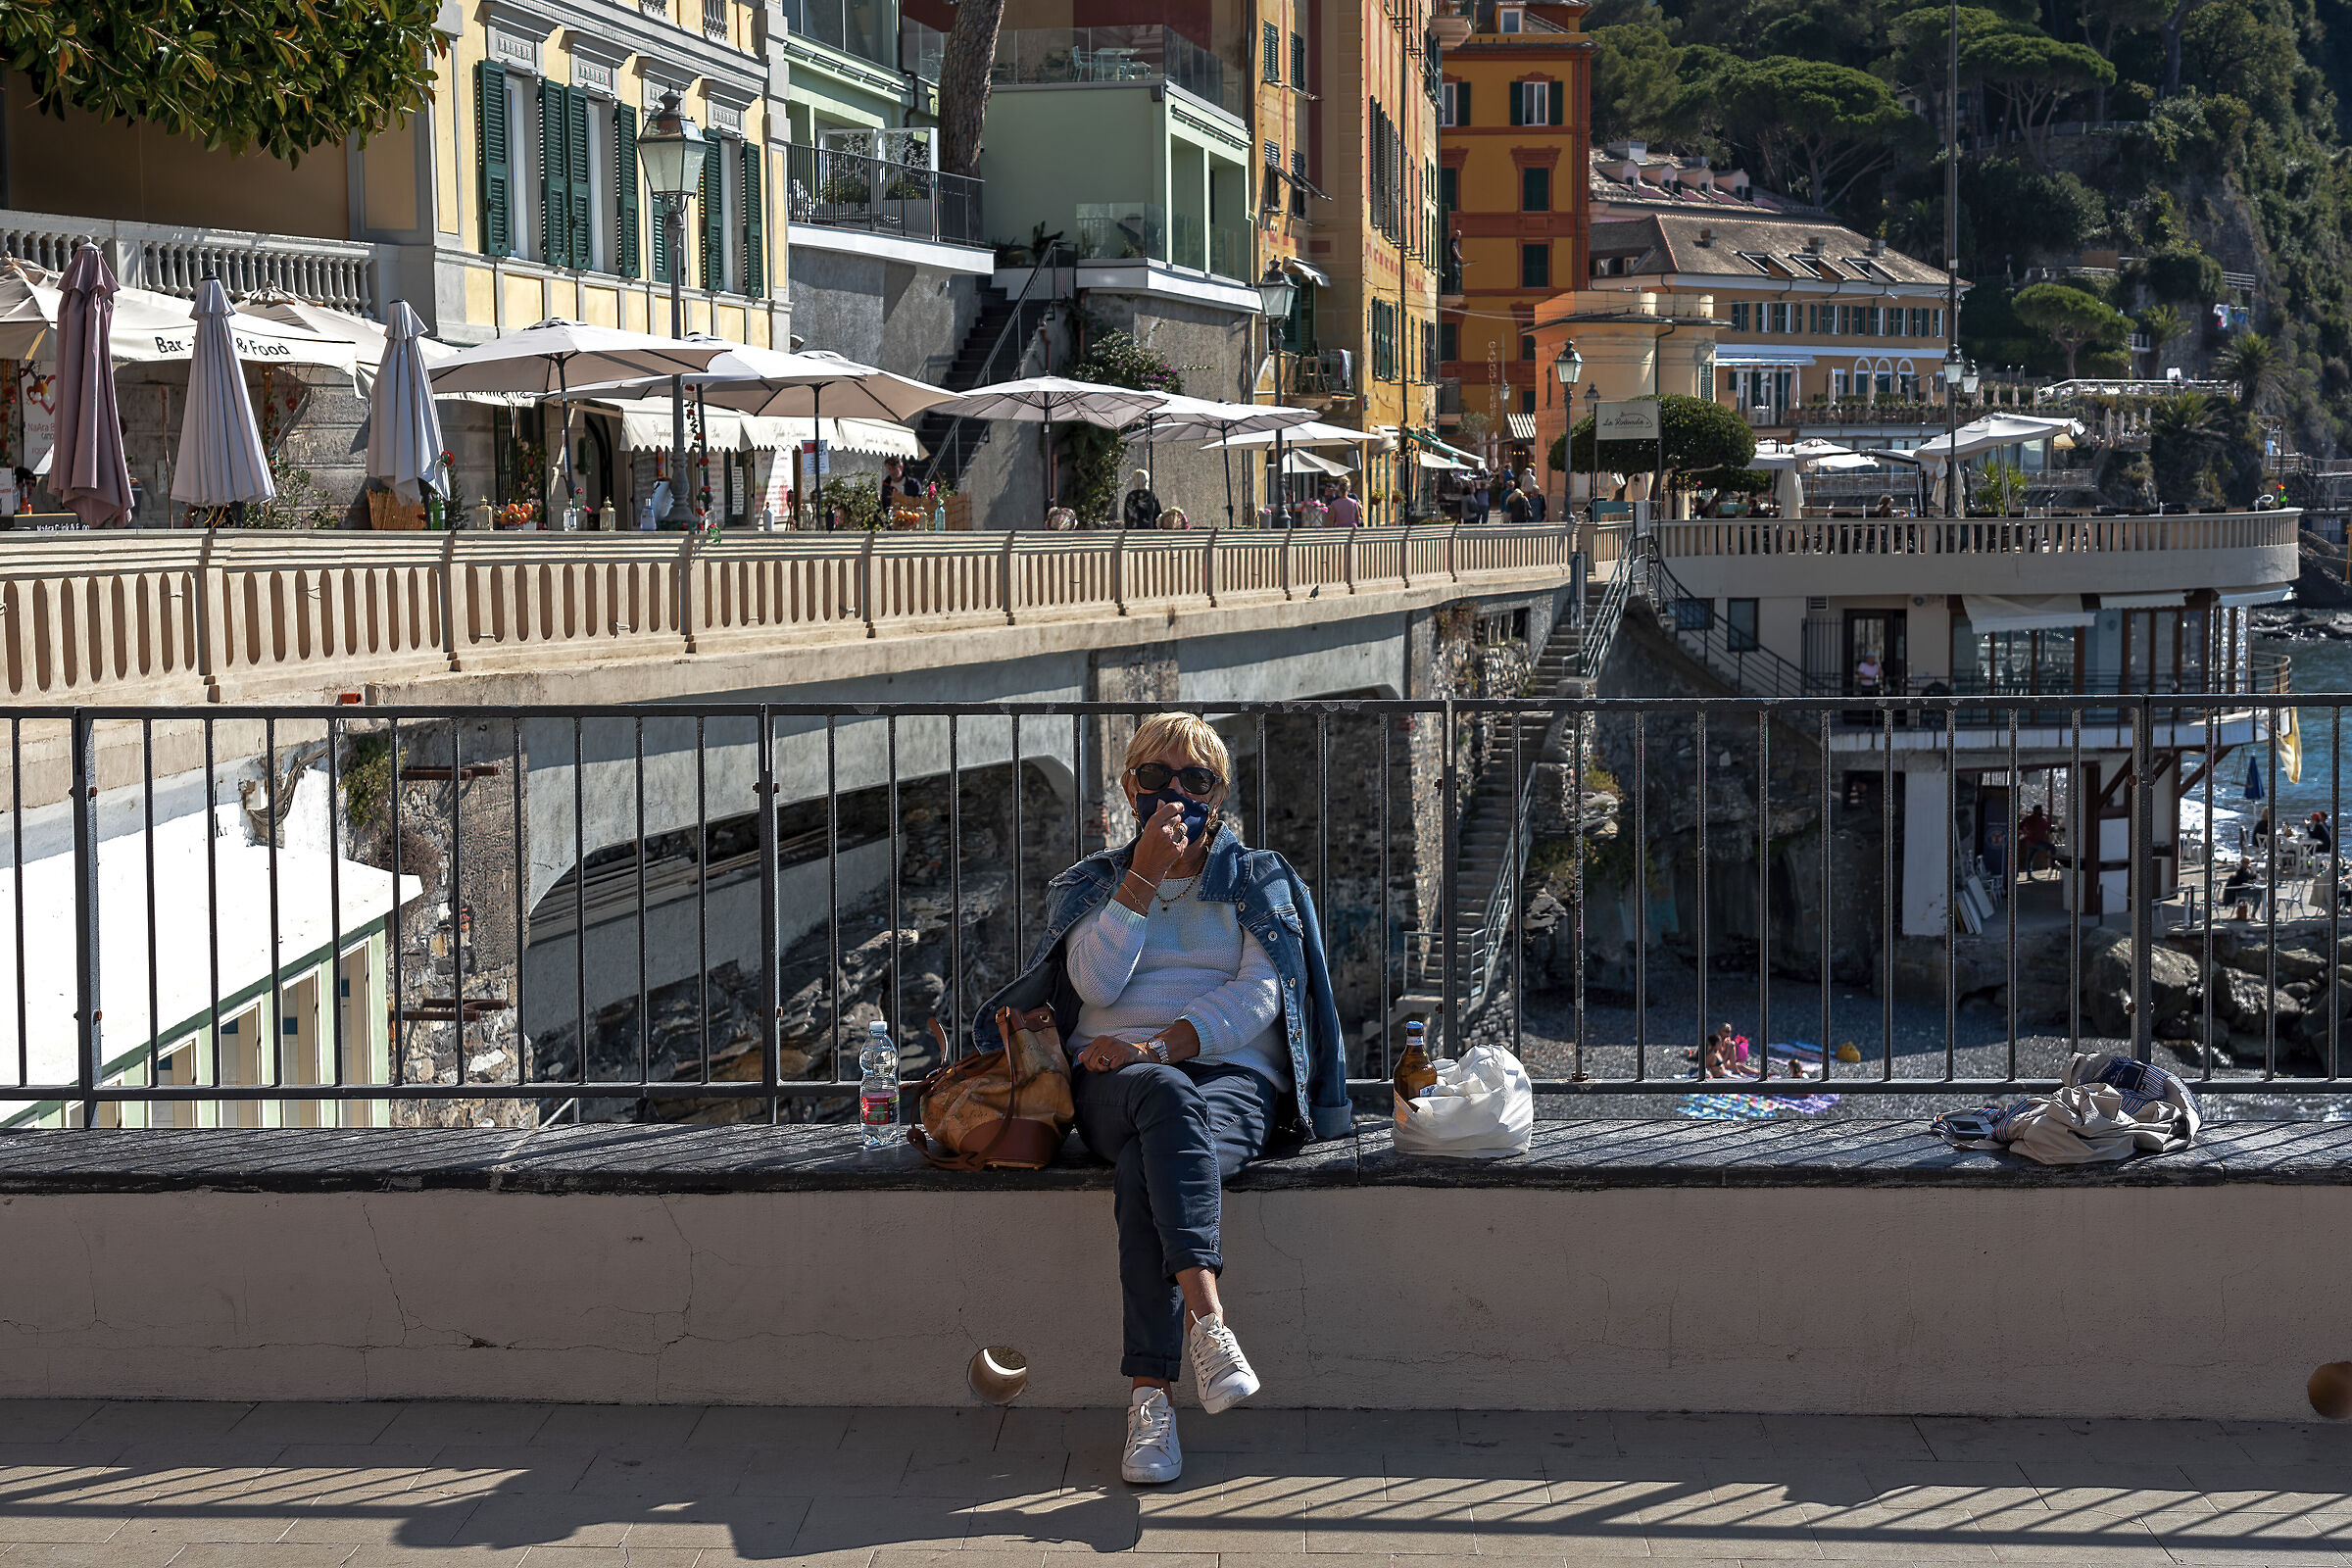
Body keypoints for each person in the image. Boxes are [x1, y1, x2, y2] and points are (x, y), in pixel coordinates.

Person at [973, 713, 1348, 1486]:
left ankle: (1151, 1398)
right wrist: (1141, 877)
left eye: (1197, 780)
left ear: (1221, 793)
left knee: (1151, 1157)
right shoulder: (1097, 882)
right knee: (1159, 1110)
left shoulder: (1257, 878)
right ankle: (1209, 1325)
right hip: (1112, 1082)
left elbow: (1261, 998)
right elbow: (1096, 986)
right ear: (1128, 786)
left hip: (1226, 1077)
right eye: (1156, 778)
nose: (1175, 792)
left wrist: (1156, 1046)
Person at [2018, 805, 2056, 874]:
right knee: (2052, 847)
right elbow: (2049, 828)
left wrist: (2025, 832)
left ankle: (2029, 874)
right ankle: (2053, 865)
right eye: (2041, 810)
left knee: (2030, 858)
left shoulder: (2028, 818)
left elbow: (2020, 826)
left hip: (2029, 841)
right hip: (2038, 841)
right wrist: (2056, 829)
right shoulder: (2041, 820)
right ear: (2038, 810)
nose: (2042, 811)